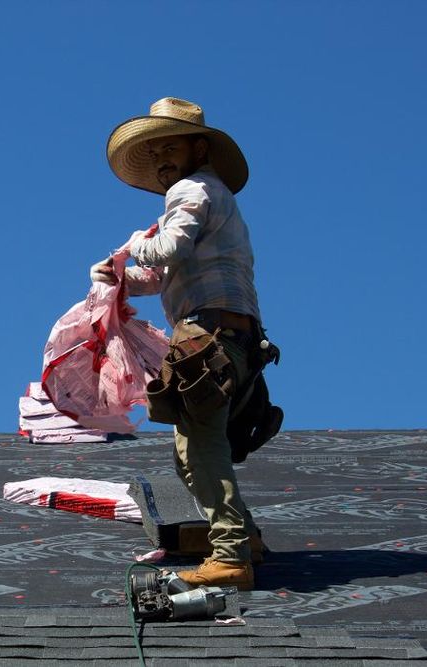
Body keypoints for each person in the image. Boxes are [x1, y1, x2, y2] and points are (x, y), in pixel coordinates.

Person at [90, 97, 280, 591]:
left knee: (200, 446)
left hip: (207, 338)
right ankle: (246, 538)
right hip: (237, 341)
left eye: (170, 147)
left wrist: (129, 247)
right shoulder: (214, 198)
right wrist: (121, 279)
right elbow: (165, 271)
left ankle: (232, 554)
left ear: (200, 147)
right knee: (191, 450)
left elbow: (167, 248)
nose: (161, 161)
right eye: (154, 154)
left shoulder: (192, 190)